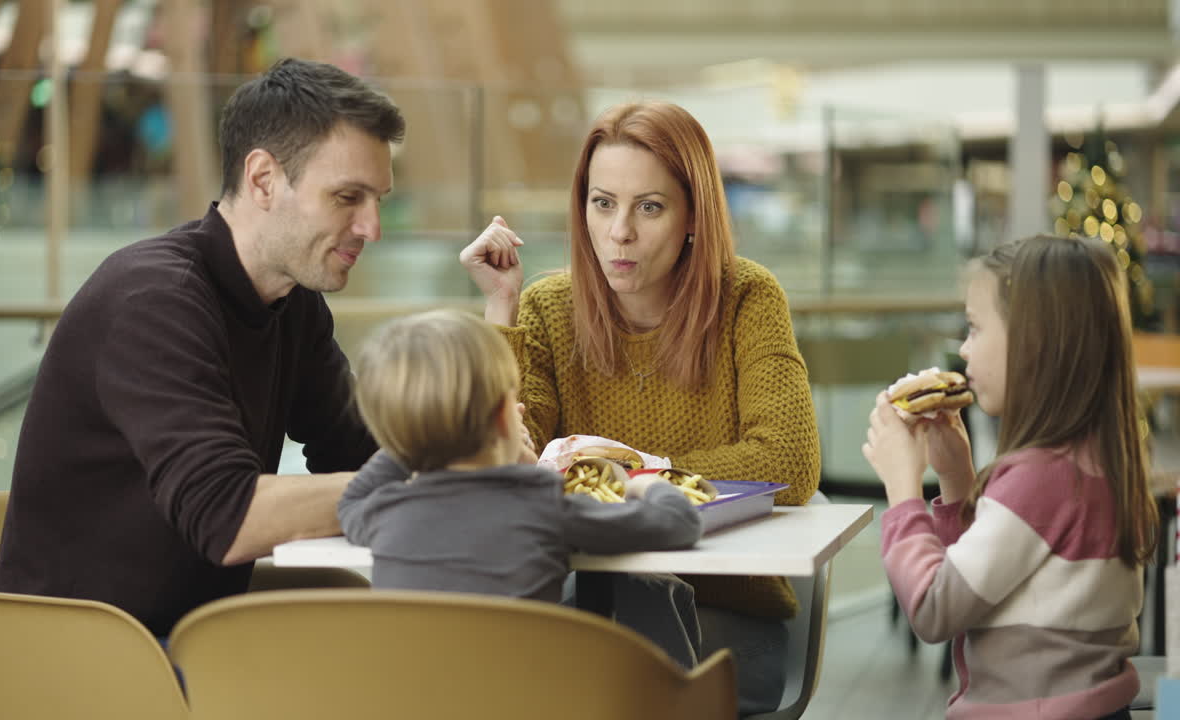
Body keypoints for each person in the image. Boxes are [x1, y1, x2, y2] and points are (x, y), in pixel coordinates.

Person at [0, 58, 406, 638]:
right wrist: (421, 479)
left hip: (190, 632)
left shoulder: (292, 301)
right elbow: (228, 516)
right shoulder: (153, 301)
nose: (372, 227)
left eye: (378, 201)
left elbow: (356, 450)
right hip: (85, 656)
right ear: (262, 179)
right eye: (348, 197)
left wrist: (456, 453)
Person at [458, 101, 821, 713]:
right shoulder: (548, 308)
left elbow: (787, 462)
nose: (619, 232)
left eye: (648, 207)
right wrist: (501, 311)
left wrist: (615, 470)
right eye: (603, 203)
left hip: (722, 620)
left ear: (692, 218)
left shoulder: (748, 298)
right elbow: (502, 466)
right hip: (578, 606)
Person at [863, 235, 1158, 720]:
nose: (963, 347)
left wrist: (903, 492)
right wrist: (957, 479)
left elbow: (935, 608)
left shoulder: (1040, 479)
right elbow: (989, 581)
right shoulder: (1093, 463)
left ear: (1033, 343)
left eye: (975, 329)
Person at [337, 309, 703, 601]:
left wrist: (411, 436)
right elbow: (677, 525)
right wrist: (648, 487)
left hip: (414, 695)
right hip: (531, 693)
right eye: (514, 399)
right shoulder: (543, 505)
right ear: (501, 417)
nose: (523, 408)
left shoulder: (385, 512)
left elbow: (350, 500)